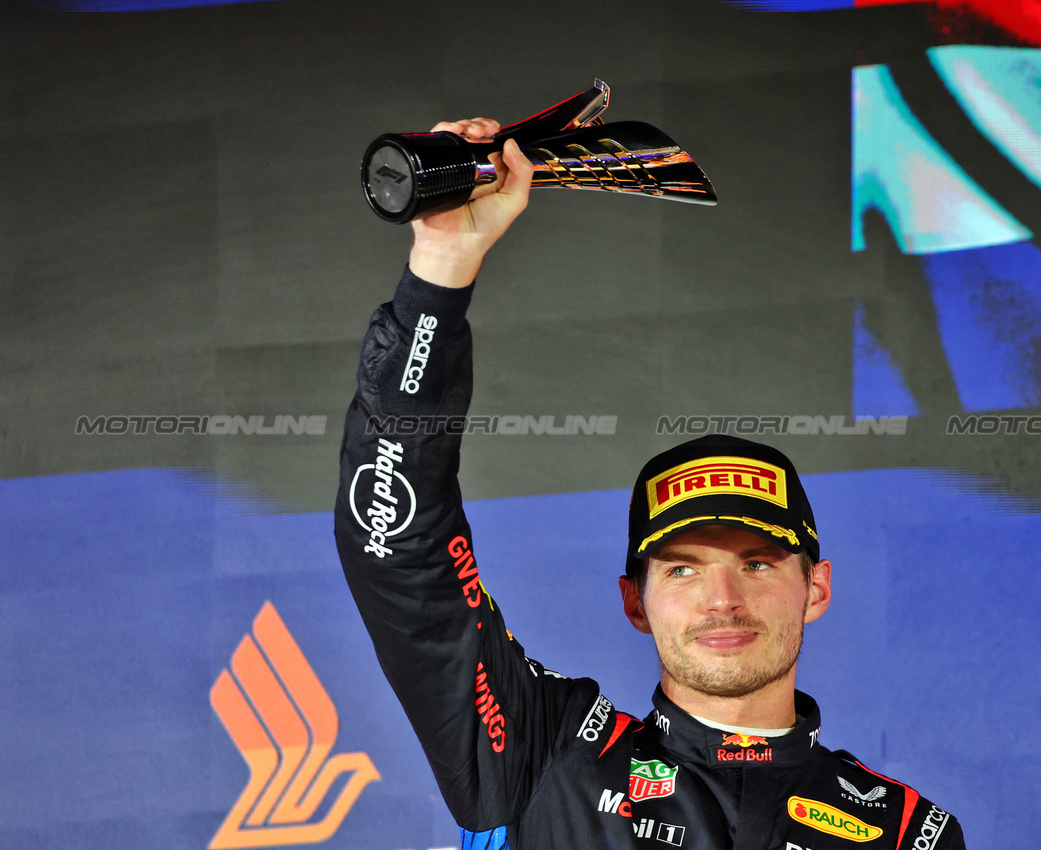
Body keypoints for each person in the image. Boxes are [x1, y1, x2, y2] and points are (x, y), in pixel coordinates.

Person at [336, 119, 965, 850]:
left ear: (816, 588)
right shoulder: (543, 751)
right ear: (635, 599)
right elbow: (396, 545)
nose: (722, 601)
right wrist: (443, 262)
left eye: (757, 564)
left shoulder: (904, 835)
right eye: (682, 569)